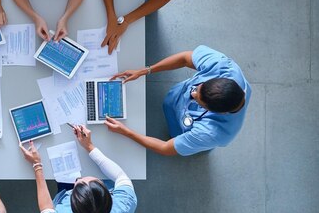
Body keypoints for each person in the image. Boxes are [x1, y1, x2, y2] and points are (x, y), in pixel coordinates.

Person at [107, 45, 251, 156]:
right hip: (174, 99)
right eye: (197, 88)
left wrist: (126, 131)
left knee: (176, 136)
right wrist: (145, 70)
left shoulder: (209, 133)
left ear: (212, 111)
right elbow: (185, 58)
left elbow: (165, 148)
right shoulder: (225, 67)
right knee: (171, 104)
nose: (192, 93)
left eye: (198, 99)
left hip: (183, 129)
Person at [18, 125, 137, 213]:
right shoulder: (124, 206)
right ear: (107, 194)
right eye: (96, 181)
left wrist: (37, 165)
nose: (78, 179)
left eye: (76, 185)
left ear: (72, 204)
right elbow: (120, 175)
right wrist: (89, 146)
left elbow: (46, 208)